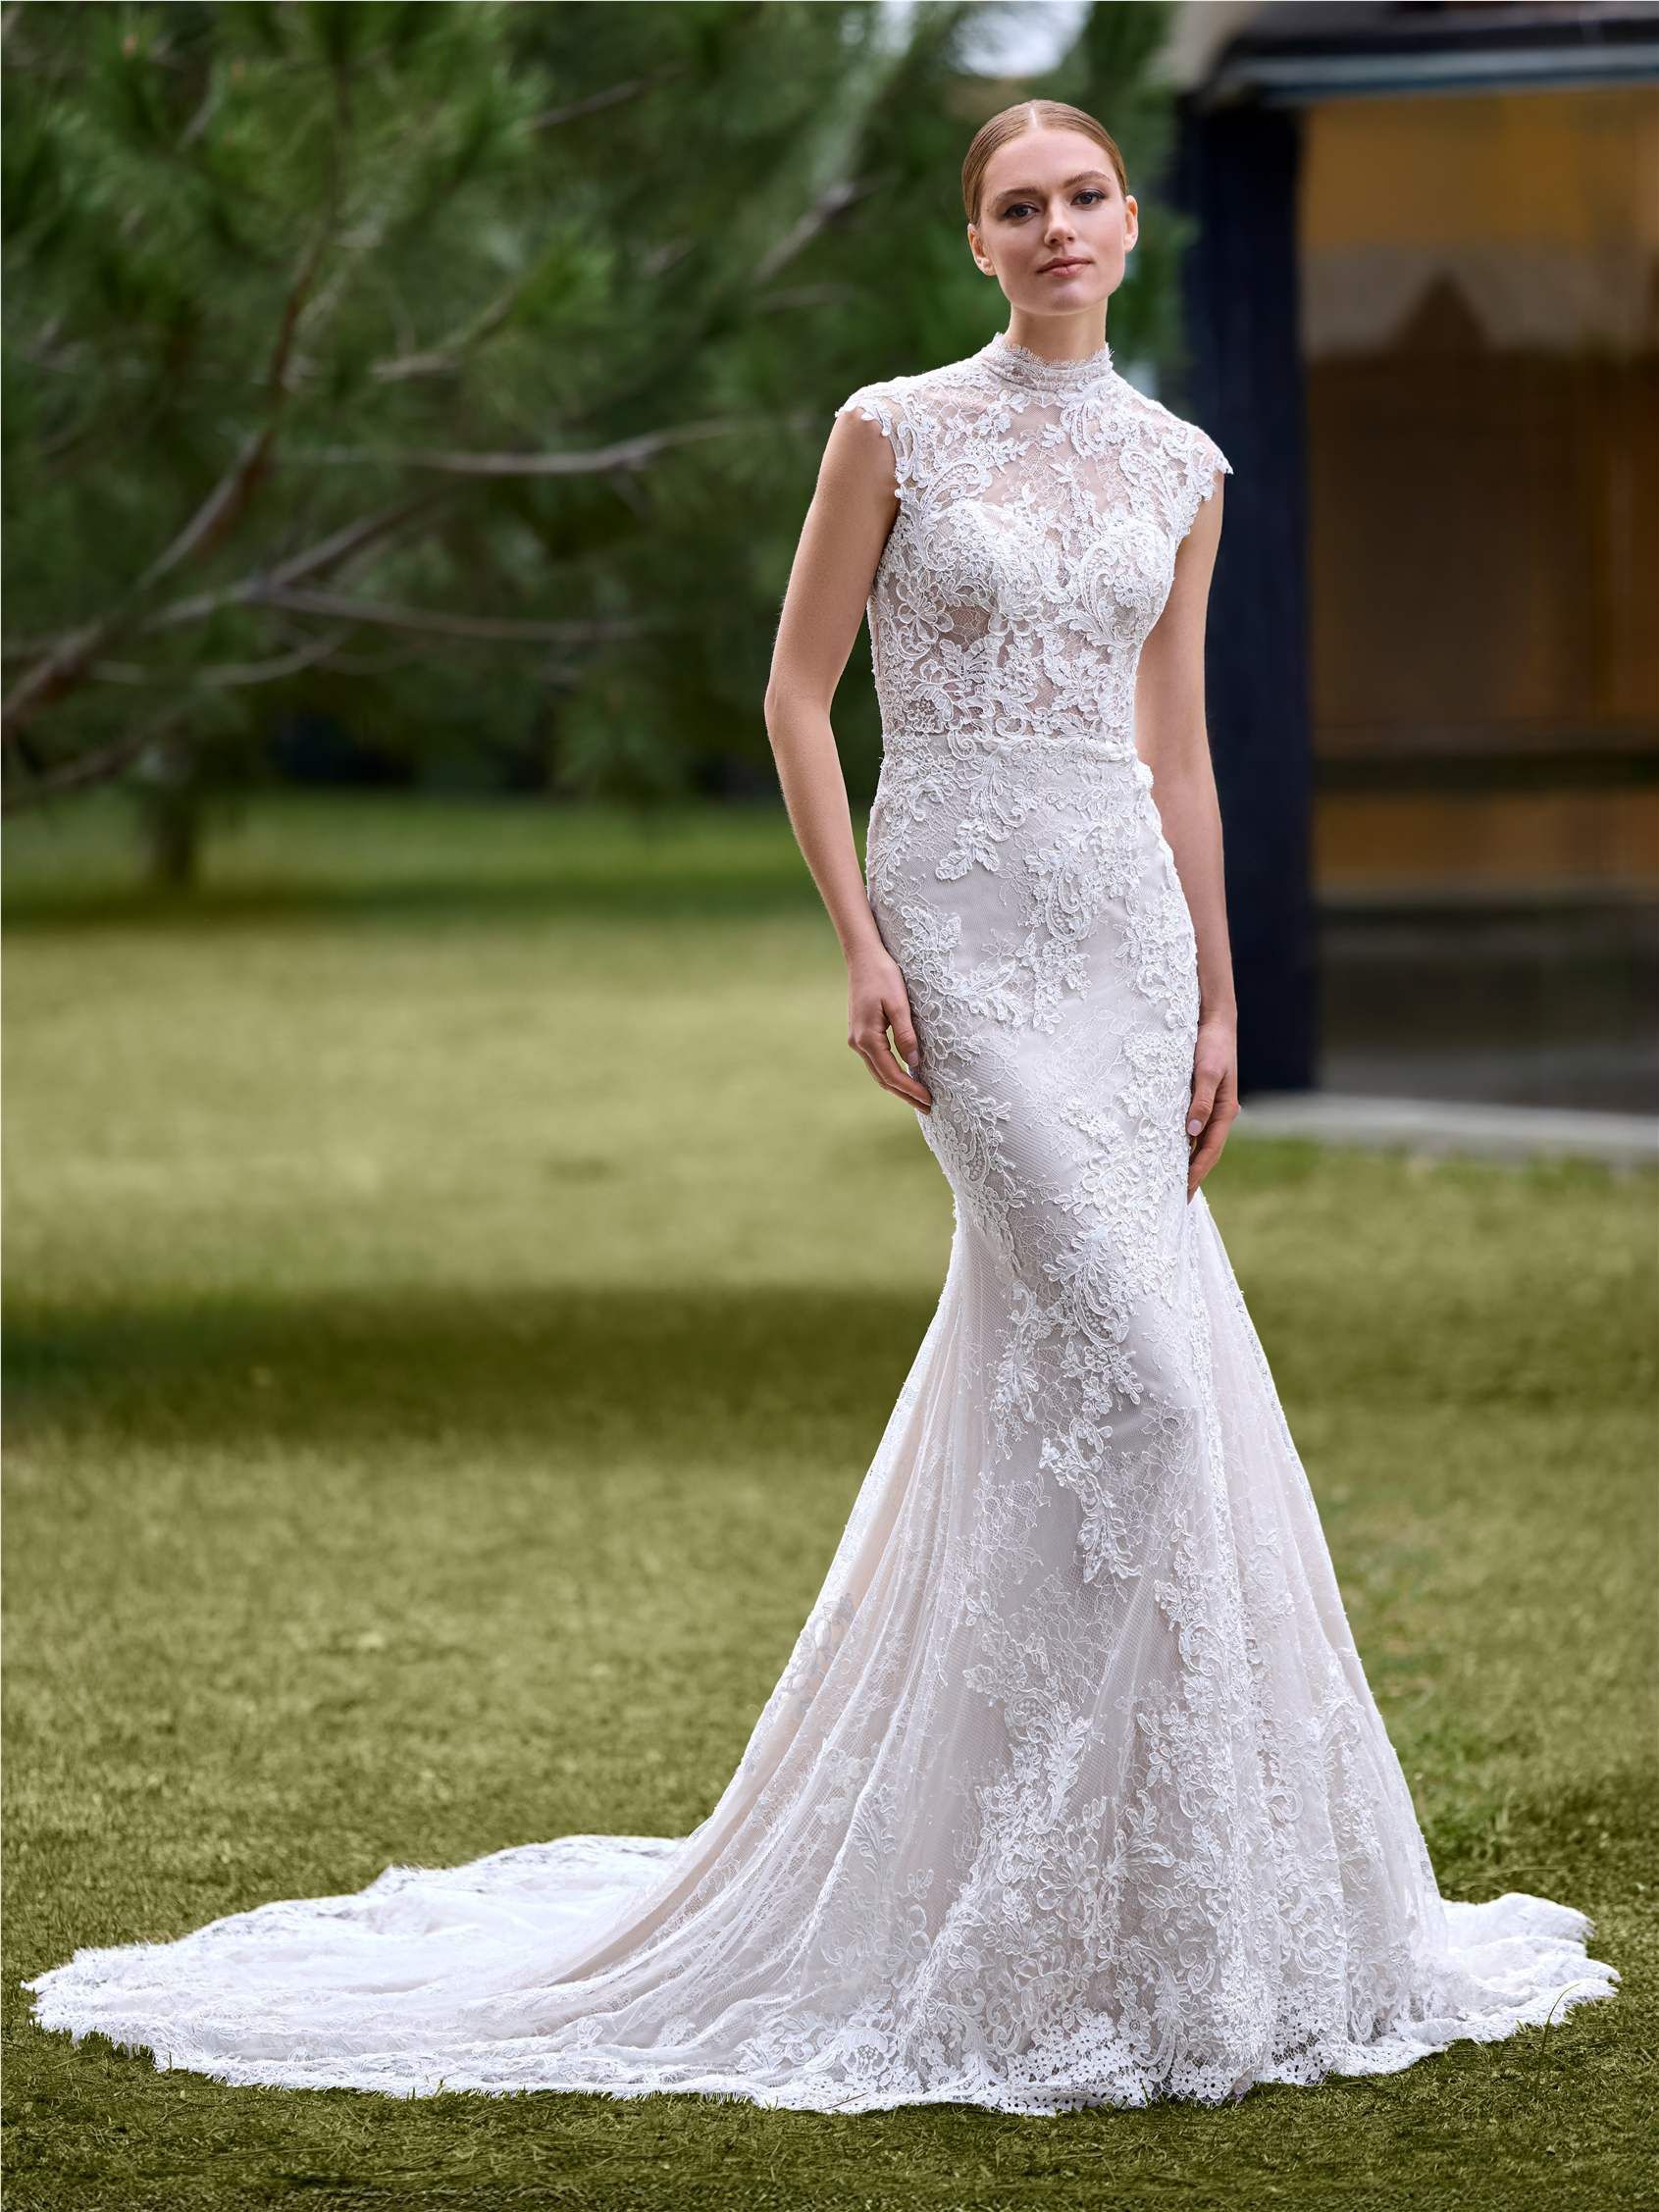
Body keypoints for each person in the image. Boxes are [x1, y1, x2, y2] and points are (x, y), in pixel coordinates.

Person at [24, 99, 1617, 2115]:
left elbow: (1182, 751)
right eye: (1017, 205)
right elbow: (794, 689)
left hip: (1125, 944)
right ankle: (1019, 1894)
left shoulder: (1182, 469)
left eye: (1083, 198)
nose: (1054, 228)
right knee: (1133, 1375)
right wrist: (861, 939)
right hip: (955, 920)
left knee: (1095, 1373)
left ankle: (1150, 1899)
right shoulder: (893, 427)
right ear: (977, 243)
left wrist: (1224, 994)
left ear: (1129, 225)